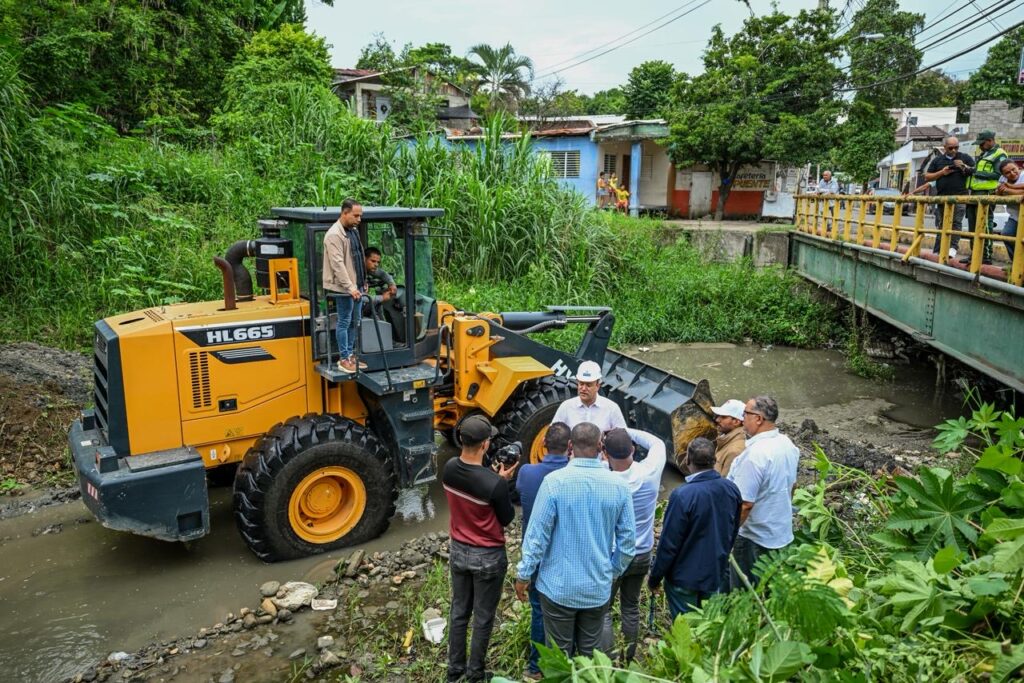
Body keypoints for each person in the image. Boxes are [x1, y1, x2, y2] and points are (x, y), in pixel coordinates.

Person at [514, 422, 636, 658]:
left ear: (570, 446)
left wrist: (524, 574)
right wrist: (611, 572)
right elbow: (628, 543)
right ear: (600, 446)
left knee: (558, 657)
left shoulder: (554, 483)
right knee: (590, 655)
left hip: (558, 589)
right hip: (596, 589)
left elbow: (537, 537)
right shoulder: (619, 486)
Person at [442, 414, 518, 683]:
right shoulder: (494, 483)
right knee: (483, 618)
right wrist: (503, 481)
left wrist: (494, 478)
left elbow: (472, 481)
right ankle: (475, 674)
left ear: (461, 439)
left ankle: (454, 671)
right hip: (488, 556)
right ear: (485, 445)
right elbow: (507, 518)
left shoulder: (449, 468)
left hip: (458, 550)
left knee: (459, 612)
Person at [648, 437, 742, 620]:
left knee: (686, 631)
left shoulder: (682, 495)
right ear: (714, 460)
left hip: (683, 579)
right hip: (714, 573)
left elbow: (669, 544)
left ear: (687, 460)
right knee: (709, 626)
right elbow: (732, 531)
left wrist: (655, 578)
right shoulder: (731, 489)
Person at [599, 427, 667, 663]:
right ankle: (628, 656)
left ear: (605, 454)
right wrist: (626, 430)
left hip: (612, 555)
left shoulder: (603, 480)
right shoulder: (650, 472)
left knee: (603, 611)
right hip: (641, 553)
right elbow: (657, 443)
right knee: (630, 606)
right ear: (633, 450)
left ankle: (608, 661)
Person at [515, 422, 571, 681]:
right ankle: (566, 660)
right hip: (564, 552)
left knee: (539, 609)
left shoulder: (527, 473)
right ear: (569, 446)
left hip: (535, 553)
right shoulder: (572, 476)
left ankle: (536, 666)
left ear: (544, 444)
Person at [727, 396, 799, 589]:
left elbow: (745, 504)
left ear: (758, 419)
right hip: (781, 534)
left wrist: (728, 536)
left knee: (745, 594)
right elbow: (793, 486)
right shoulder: (787, 444)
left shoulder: (755, 455)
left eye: (745, 414)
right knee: (771, 592)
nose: (742, 418)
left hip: (754, 538)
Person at [323, 199, 366, 373]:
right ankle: (344, 358)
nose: (359, 219)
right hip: (344, 288)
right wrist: (350, 287)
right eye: (356, 216)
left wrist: (363, 281)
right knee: (345, 321)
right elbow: (338, 264)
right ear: (345, 213)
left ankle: (350, 355)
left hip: (357, 286)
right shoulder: (334, 235)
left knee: (356, 320)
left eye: (360, 216)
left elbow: (358, 257)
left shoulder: (352, 232)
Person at [963, 130, 1008, 265]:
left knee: (985, 224)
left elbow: (998, 174)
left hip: (987, 193)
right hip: (974, 193)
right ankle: (975, 253)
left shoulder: (999, 154)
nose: (980, 146)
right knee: (973, 225)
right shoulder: (984, 154)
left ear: (990, 141)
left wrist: (975, 172)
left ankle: (986, 255)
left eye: (982, 144)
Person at [924, 136, 972, 257]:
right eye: (951, 148)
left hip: (960, 197)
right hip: (942, 197)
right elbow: (927, 176)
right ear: (945, 147)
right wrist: (942, 172)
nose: (954, 150)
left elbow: (974, 171)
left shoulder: (965, 157)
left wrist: (963, 166)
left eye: (956, 147)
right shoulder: (937, 160)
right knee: (942, 223)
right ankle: (938, 250)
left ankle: (953, 247)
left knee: (956, 222)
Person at [551, 360, 627, 432]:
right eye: (581, 384)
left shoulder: (612, 409)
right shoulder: (566, 407)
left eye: (588, 385)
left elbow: (622, 437)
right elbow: (553, 435)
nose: (583, 388)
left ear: (597, 386)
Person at [995, 159, 1024, 262]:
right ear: (1003, 175)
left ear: (1018, 167)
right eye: (1007, 172)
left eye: (1013, 169)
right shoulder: (1002, 179)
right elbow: (998, 192)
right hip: (1014, 215)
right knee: (1006, 234)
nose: (1012, 173)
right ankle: (1016, 262)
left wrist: (1009, 188)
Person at [710, 399, 746, 478]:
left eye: (723, 417)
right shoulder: (725, 440)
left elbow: (724, 483)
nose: (717, 420)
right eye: (719, 416)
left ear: (736, 422)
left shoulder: (734, 451)